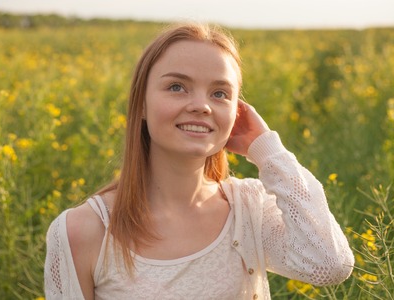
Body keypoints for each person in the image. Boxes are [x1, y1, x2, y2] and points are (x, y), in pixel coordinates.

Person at [44, 23, 354, 299]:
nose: (201, 106)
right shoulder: (83, 231)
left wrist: (268, 150)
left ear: (236, 113)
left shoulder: (248, 210)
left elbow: (329, 264)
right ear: (140, 105)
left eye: (220, 94)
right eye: (177, 87)